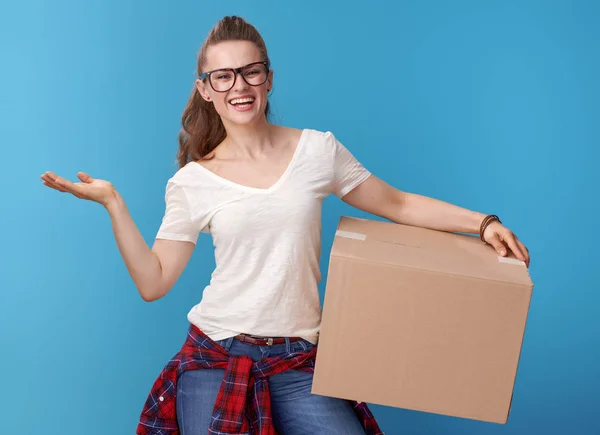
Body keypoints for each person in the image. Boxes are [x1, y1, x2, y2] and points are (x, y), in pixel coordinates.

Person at [40, 15, 530, 435]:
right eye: (224, 76)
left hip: (300, 358)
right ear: (206, 89)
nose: (240, 86)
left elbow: (397, 204)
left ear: (268, 79)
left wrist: (482, 223)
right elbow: (154, 281)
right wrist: (113, 203)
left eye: (250, 72)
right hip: (216, 353)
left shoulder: (317, 151)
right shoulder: (193, 181)